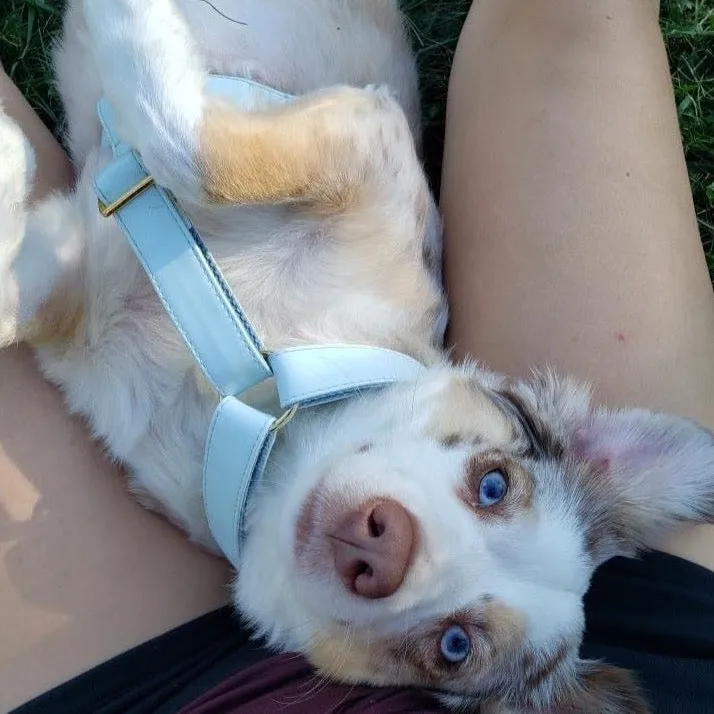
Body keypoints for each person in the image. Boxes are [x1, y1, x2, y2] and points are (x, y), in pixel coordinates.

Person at [2, 0, 713, 711]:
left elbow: (65, 297)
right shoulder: (390, 303)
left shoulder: (176, 488)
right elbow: (364, 145)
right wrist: (196, 151)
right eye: (491, 487)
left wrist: (23, 292)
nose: (398, 558)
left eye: (453, 645)